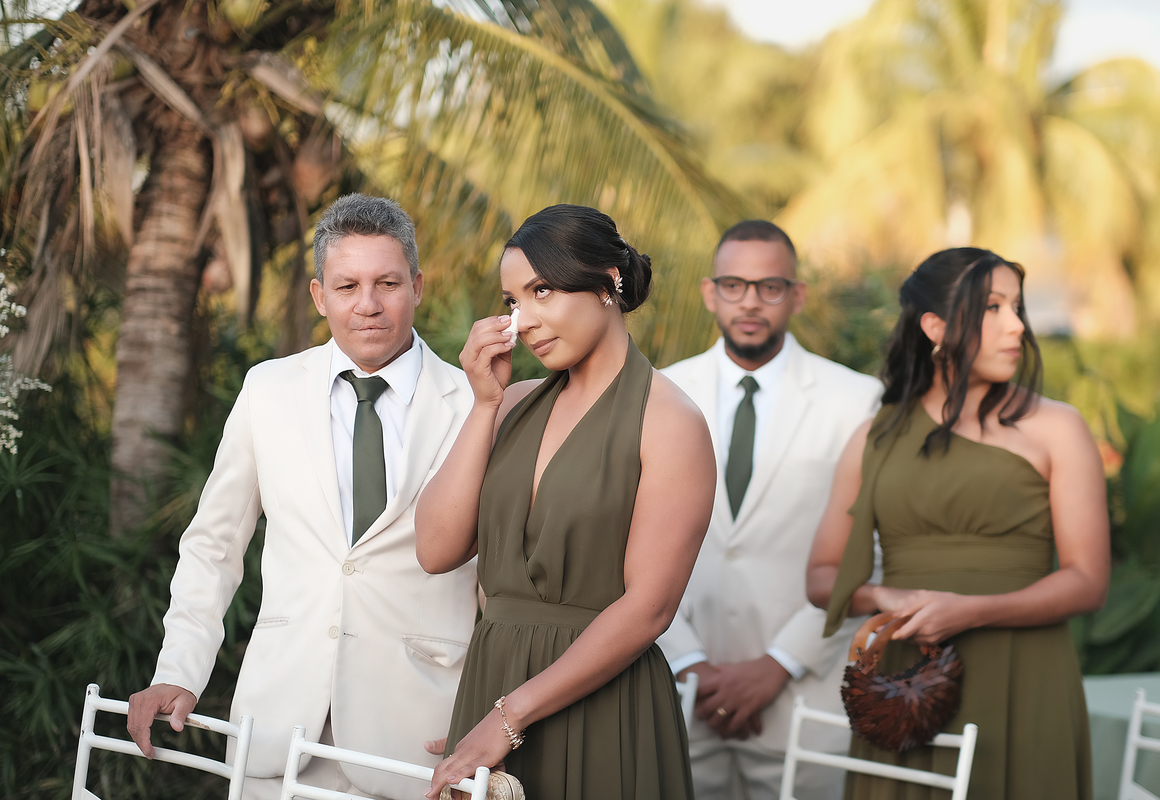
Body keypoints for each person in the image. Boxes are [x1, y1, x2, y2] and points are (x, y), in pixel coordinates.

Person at [126, 194, 479, 800]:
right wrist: (178, 669)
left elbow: (501, 581)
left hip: (421, 741)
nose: (367, 305)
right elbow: (214, 545)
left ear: (417, 286)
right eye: (347, 287)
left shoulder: (475, 403)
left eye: (387, 283)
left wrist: (489, 713)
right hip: (277, 733)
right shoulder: (268, 390)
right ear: (319, 296)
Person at [415, 204, 717, 799]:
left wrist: (509, 717)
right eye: (512, 301)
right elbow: (435, 549)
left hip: (602, 707)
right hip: (492, 692)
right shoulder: (510, 405)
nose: (523, 321)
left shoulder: (670, 422)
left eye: (542, 291)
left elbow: (650, 608)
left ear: (608, 282)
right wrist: (483, 404)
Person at [807, 247, 1109, 799]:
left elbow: (1088, 581)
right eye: (993, 308)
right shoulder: (874, 437)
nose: (1017, 326)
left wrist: (972, 611)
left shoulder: (1058, 428)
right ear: (935, 327)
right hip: (905, 688)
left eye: (1016, 308)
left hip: (1025, 676)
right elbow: (822, 578)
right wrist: (888, 597)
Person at [656, 220, 882, 800]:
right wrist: (687, 661)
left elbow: (872, 552)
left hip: (805, 701)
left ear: (797, 295)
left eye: (770, 287)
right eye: (734, 285)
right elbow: (629, 541)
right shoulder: (658, 395)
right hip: (679, 699)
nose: (750, 302)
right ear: (710, 293)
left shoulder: (858, 401)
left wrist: (781, 662)